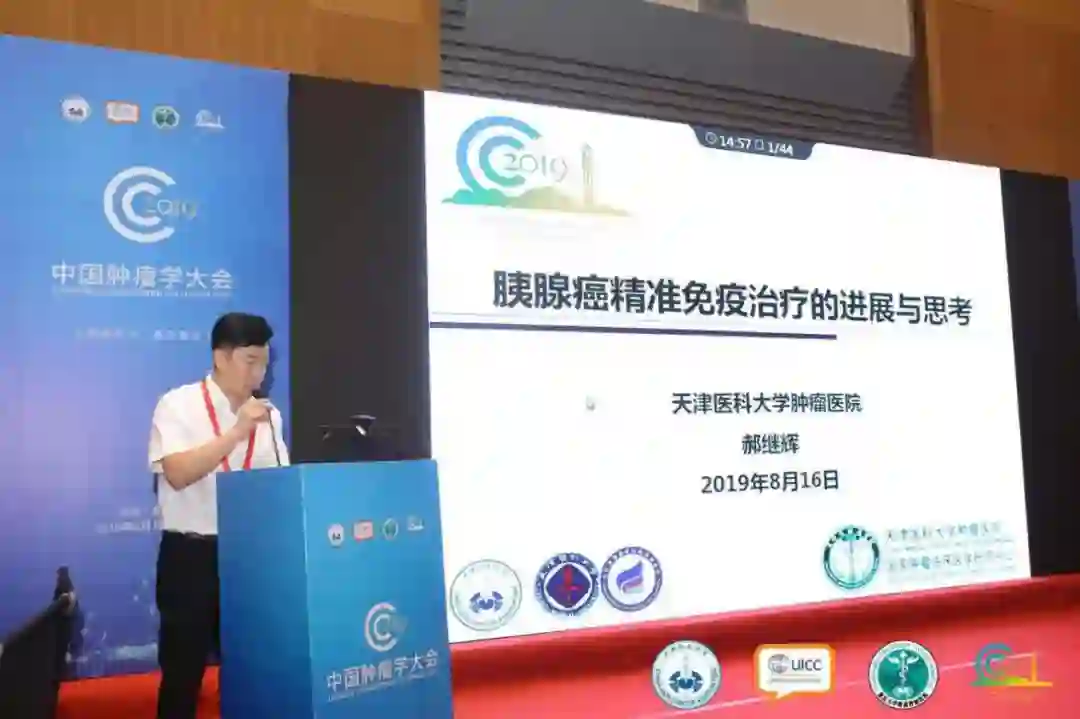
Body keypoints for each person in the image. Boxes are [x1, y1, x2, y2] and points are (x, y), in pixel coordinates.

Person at [148, 312, 289, 719]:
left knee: (250, 670)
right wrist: (236, 434)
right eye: (250, 361)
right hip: (191, 557)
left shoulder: (269, 416)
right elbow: (177, 473)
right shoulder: (178, 404)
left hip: (248, 560)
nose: (259, 374)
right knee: (183, 675)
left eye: (264, 363)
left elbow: (279, 483)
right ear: (221, 357)